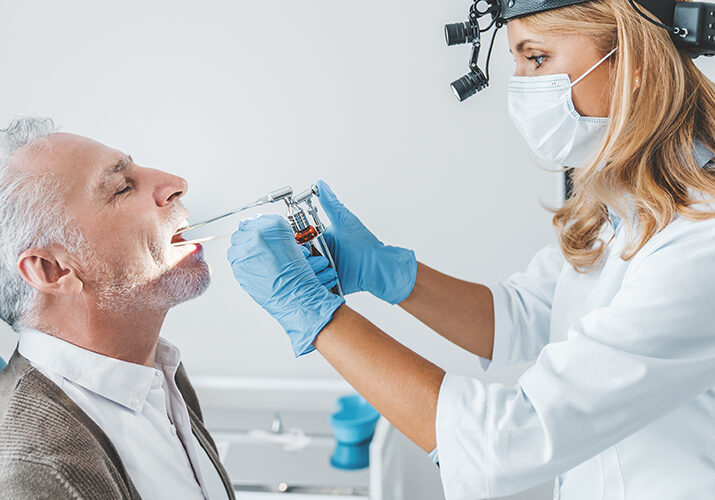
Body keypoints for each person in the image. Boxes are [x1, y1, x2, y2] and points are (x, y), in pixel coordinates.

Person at [226, 0, 715, 498]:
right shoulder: (624, 204)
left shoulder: (700, 244)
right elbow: (525, 315)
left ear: (633, 64)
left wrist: (316, 317)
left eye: (537, 59)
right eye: (517, 62)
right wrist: (389, 272)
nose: (521, 86)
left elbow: (508, 441)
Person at [0, 117, 338, 498]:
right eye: (122, 188)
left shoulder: (157, 374)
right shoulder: (37, 475)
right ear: (53, 269)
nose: (176, 183)